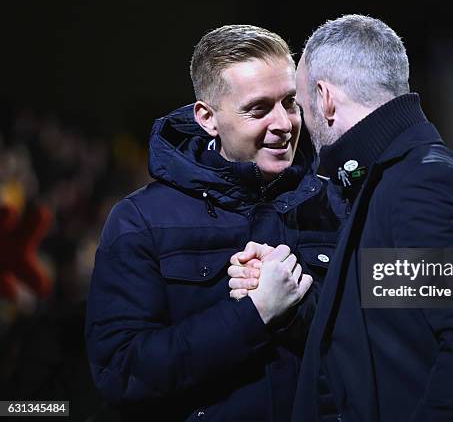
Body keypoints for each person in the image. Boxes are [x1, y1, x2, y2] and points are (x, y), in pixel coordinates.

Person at [230, 15, 453, 421]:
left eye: (299, 103)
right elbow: (382, 330)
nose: (299, 122)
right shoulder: (386, 182)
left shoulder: (424, 184)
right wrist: (291, 299)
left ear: (325, 98)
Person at [85, 24, 343, 421]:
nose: (283, 123)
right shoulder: (141, 221)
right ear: (207, 118)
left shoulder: (334, 204)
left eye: (289, 103)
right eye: (258, 109)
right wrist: (253, 314)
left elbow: (379, 338)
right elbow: (121, 372)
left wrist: (295, 310)